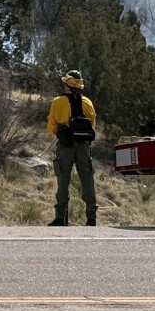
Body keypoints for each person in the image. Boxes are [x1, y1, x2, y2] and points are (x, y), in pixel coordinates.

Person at [47, 69, 98, 226]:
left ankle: (60, 217)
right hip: (83, 147)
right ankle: (91, 218)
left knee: (63, 181)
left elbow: (51, 128)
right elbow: (93, 124)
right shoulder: (88, 102)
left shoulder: (58, 102)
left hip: (65, 146)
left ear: (68, 85)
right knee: (87, 181)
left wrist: (61, 133)